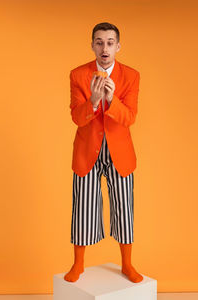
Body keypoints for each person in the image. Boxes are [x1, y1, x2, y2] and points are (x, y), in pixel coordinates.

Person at [64, 22, 143, 283]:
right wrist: (94, 102)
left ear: (118, 46)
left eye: (110, 42)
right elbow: (77, 117)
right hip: (88, 151)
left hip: (120, 152)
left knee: (124, 208)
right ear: (92, 46)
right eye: (99, 42)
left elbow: (130, 117)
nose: (104, 48)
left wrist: (112, 101)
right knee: (83, 206)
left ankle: (127, 265)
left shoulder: (131, 76)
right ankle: (78, 265)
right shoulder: (78, 75)